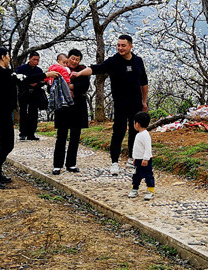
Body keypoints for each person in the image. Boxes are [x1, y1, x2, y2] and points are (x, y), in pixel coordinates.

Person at [0, 46, 59, 189]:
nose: (9, 57)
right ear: (3, 57)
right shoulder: (1, 73)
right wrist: (46, 74)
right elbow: (24, 80)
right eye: (7, 55)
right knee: (7, 144)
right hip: (1, 113)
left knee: (5, 143)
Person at [72, 34, 148, 175]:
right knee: (118, 132)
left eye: (123, 45)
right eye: (118, 45)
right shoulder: (114, 61)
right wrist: (80, 73)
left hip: (136, 103)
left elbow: (144, 82)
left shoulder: (138, 61)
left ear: (131, 46)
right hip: (120, 103)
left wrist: (144, 101)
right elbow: (95, 69)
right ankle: (114, 162)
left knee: (135, 132)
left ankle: (132, 160)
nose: (120, 48)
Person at [52, 49, 90, 175]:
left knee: (75, 137)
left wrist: (69, 86)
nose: (74, 61)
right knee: (61, 136)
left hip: (77, 106)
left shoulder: (82, 70)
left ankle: (71, 164)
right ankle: (57, 165)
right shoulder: (60, 69)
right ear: (68, 58)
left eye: (77, 59)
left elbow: (84, 86)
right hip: (63, 107)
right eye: (72, 58)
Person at [16, 51, 49, 141]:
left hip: (35, 94)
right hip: (24, 93)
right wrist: (28, 84)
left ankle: (31, 133)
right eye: (34, 59)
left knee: (33, 114)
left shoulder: (39, 70)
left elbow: (43, 81)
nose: (36, 61)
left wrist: (37, 84)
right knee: (23, 113)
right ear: (29, 59)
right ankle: (22, 133)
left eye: (37, 60)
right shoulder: (22, 68)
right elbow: (17, 80)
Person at [128, 111, 155, 200]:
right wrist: (135, 158)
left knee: (148, 175)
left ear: (138, 124)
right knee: (136, 175)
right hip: (138, 160)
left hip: (144, 160)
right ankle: (134, 189)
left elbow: (147, 148)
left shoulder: (145, 135)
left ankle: (150, 190)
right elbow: (137, 148)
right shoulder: (138, 135)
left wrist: (146, 159)